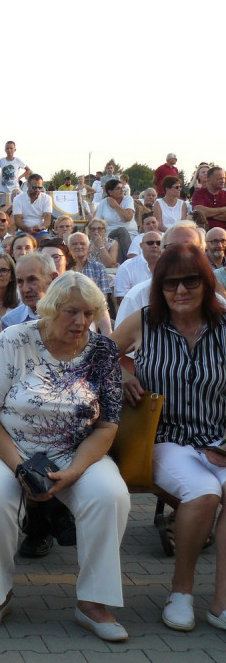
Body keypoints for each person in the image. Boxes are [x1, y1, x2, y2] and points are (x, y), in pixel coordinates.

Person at [0, 271, 130, 641]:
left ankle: (93, 602)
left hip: (74, 449)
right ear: (50, 308)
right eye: (72, 312)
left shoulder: (102, 351)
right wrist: (19, 467)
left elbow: (107, 426)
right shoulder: (15, 339)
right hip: (2, 445)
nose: (81, 322)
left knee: (110, 495)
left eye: (89, 313)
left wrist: (74, 471)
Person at [112, 244, 226, 634]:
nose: (180, 291)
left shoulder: (225, 325)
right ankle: (181, 592)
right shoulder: (145, 322)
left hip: (219, 441)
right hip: (163, 439)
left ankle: (222, 601)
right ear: (159, 288)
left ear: (206, 283)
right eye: (170, 283)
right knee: (205, 492)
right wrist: (124, 374)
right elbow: (98, 356)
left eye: (190, 281)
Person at [191, 166, 226, 230]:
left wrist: (208, 214)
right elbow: (199, 212)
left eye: (224, 178)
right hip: (204, 234)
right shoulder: (198, 194)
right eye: (219, 179)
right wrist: (223, 209)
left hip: (224, 235)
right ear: (209, 180)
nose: (223, 181)